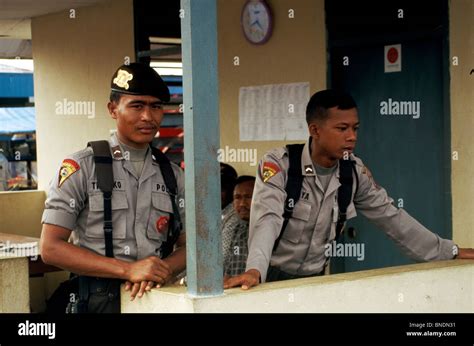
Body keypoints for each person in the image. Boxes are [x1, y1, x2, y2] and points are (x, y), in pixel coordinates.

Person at [224, 89, 474, 290]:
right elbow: (266, 219)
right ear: (315, 130)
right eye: (342, 129)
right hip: (268, 278)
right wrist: (255, 269)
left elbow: (392, 218)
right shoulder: (280, 165)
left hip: (315, 281)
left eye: (355, 128)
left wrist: (448, 251)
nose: (352, 136)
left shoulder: (352, 172)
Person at [40, 62, 186, 312]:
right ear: (113, 109)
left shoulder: (172, 175)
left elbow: (191, 245)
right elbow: (50, 247)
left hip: (155, 301)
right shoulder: (82, 167)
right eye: (137, 106)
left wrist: (162, 269)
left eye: (156, 107)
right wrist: (128, 270)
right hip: (95, 301)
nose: (148, 117)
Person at [222, 175, 255, 278]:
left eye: (248, 197)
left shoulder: (271, 228)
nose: (242, 204)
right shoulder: (236, 226)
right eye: (237, 198)